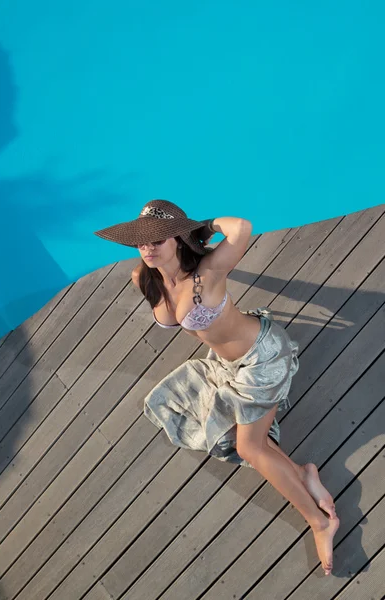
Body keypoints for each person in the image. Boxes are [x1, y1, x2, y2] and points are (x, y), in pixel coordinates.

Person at [94, 198, 339, 576]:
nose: (147, 247)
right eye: (142, 240)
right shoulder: (145, 277)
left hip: (263, 357)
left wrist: (202, 227)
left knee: (249, 446)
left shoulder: (208, 272)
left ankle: (320, 522)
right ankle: (304, 474)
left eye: (158, 239)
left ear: (177, 238)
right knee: (226, 427)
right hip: (228, 365)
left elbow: (241, 227)